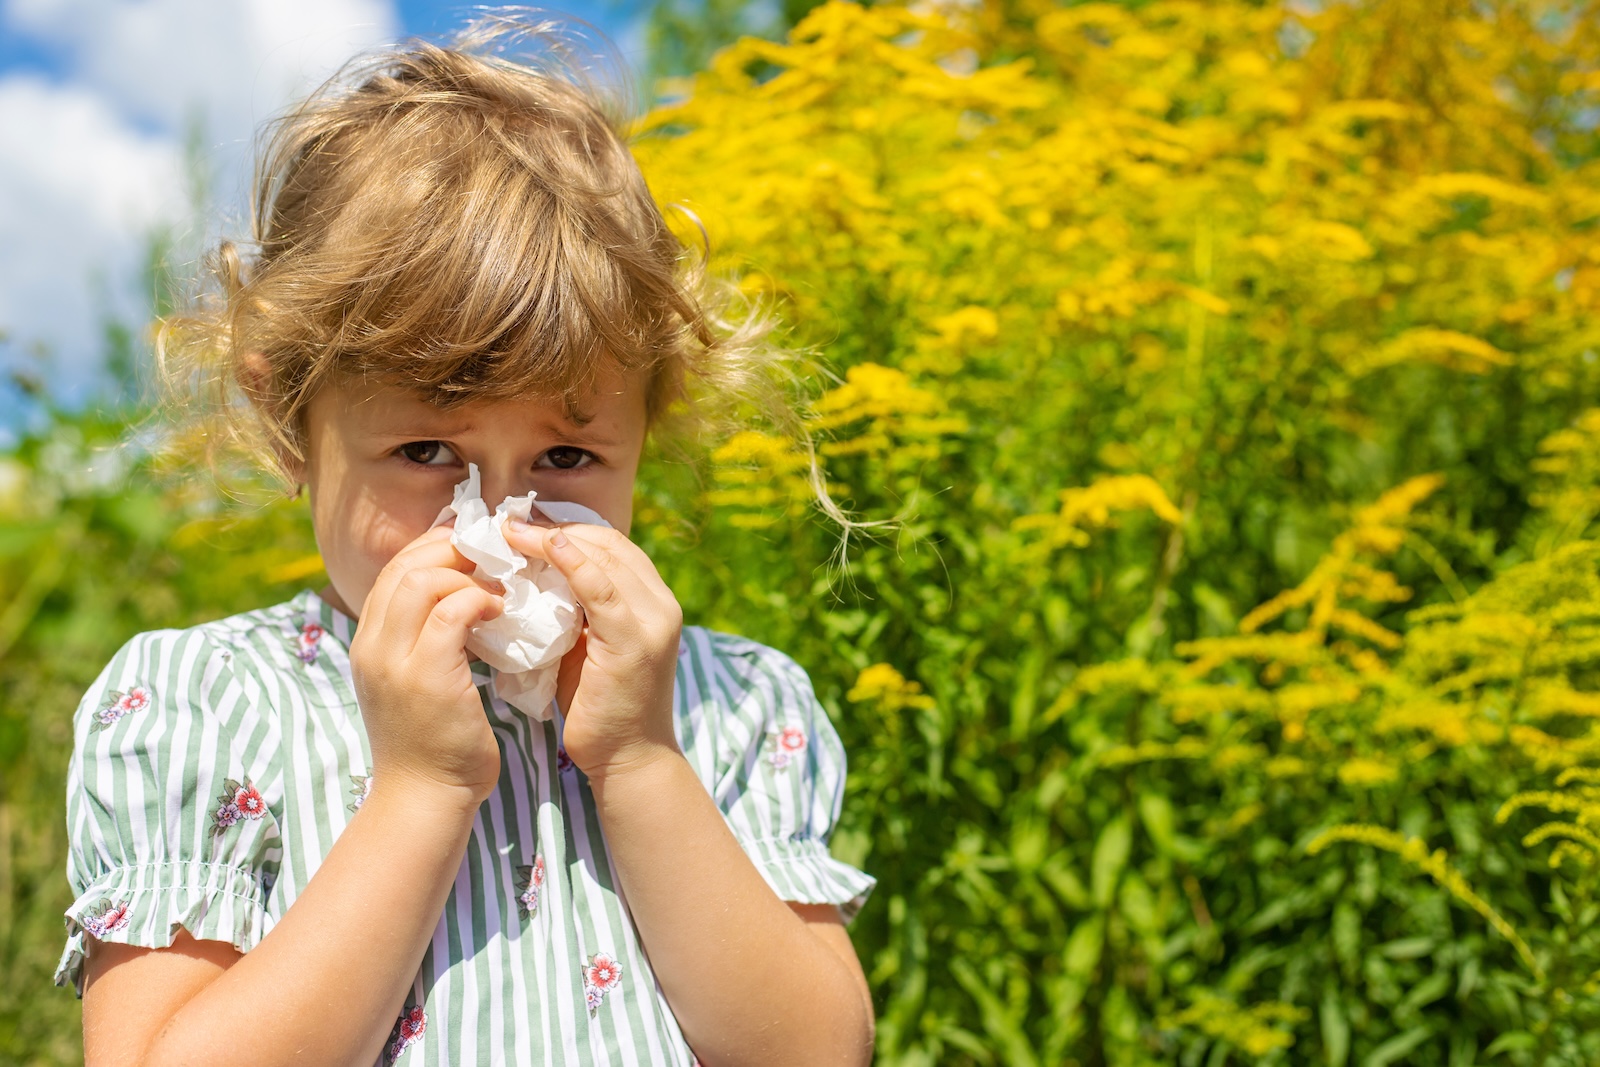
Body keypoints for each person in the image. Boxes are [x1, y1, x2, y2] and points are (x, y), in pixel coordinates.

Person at [55, 17, 875, 1067]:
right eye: (427, 446)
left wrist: (638, 758)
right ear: (289, 420)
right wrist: (419, 787)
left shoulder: (730, 708)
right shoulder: (205, 704)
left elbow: (815, 1049)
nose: (501, 519)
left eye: (567, 460)